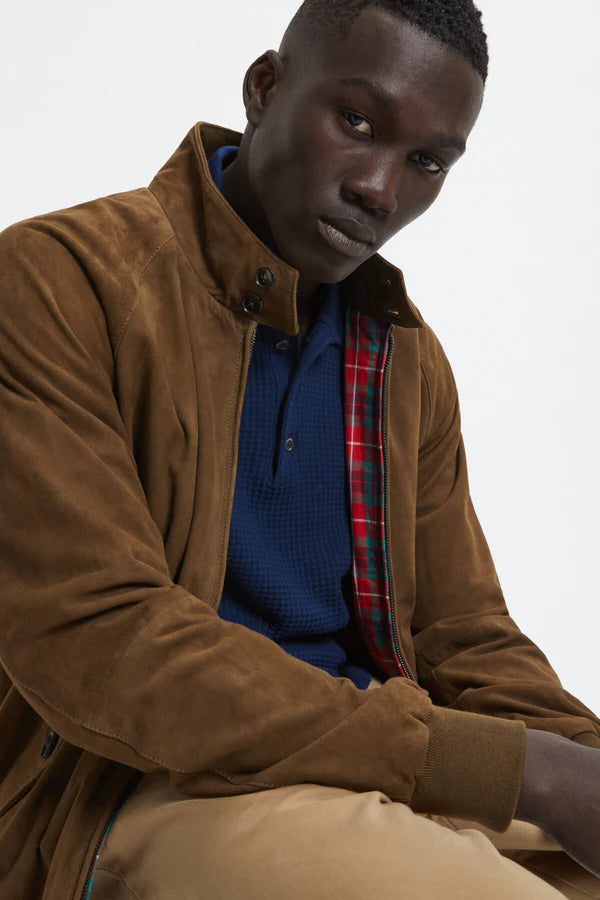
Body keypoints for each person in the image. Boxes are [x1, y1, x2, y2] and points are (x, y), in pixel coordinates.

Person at [0, 1, 599, 898]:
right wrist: (525, 774)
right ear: (265, 87)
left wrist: (581, 761)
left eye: (428, 162)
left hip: (379, 771)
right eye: (356, 122)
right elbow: (102, 640)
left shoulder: (402, 356)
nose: (380, 190)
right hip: (143, 785)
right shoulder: (61, 282)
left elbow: (466, 638)